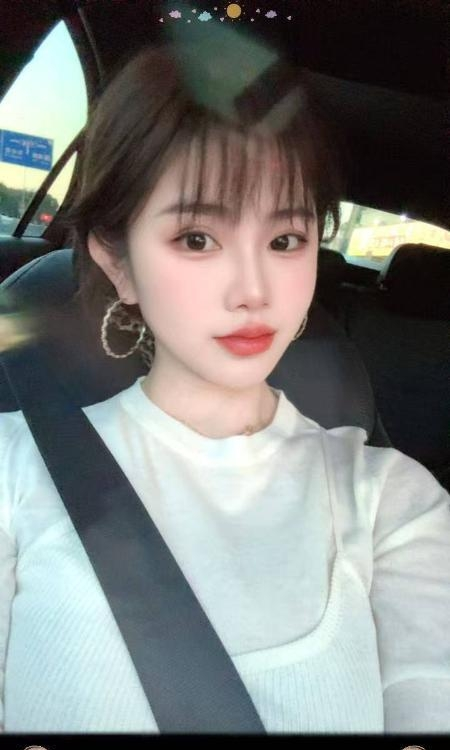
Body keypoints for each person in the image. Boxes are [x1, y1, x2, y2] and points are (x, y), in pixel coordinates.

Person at [0, 39, 449, 734]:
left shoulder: (395, 503)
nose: (253, 291)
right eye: (197, 239)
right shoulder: (14, 469)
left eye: (285, 240)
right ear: (118, 262)